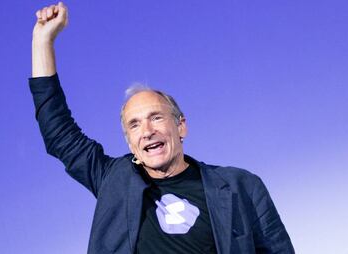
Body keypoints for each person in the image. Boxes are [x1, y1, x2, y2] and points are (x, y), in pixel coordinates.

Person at [30, 2, 295, 254]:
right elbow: (58, 131)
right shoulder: (114, 180)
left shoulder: (241, 186)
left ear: (181, 126)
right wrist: (43, 41)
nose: (146, 130)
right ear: (130, 142)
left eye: (155, 118)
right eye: (134, 125)